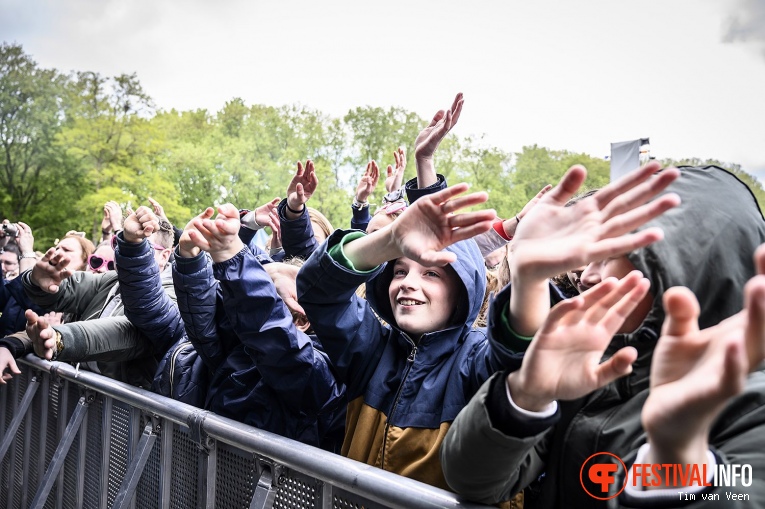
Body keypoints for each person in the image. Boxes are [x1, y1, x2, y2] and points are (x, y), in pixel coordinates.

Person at [440, 164, 765, 508]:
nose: (585, 277)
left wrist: (674, 455)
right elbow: (474, 482)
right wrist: (525, 395)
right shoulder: (592, 367)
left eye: (608, 257)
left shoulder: (751, 405)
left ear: (679, 271)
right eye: (590, 256)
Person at [170, 204, 346, 451]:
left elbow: (275, 335)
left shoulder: (318, 370)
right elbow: (207, 315)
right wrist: (190, 260)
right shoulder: (239, 348)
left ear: (302, 320)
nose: (249, 311)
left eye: (274, 301)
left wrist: (232, 256)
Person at [20, 210, 177, 388]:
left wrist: (60, 339)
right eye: (121, 242)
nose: (124, 251)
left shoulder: (174, 297)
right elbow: (67, 288)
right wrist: (36, 280)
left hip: (124, 410)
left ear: (164, 256)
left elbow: (128, 332)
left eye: (140, 246)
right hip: (80, 401)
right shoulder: (111, 279)